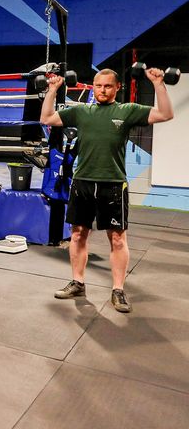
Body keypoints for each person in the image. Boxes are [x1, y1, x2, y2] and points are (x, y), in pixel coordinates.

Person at [40, 67, 174, 313]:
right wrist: (52, 90)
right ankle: (78, 283)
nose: (102, 90)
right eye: (98, 85)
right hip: (82, 182)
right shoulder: (81, 112)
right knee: (78, 234)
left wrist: (158, 84)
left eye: (108, 86)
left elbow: (165, 114)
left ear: (117, 88)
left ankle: (118, 290)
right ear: (93, 86)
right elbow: (47, 119)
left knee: (117, 238)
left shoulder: (127, 110)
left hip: (113, 184)